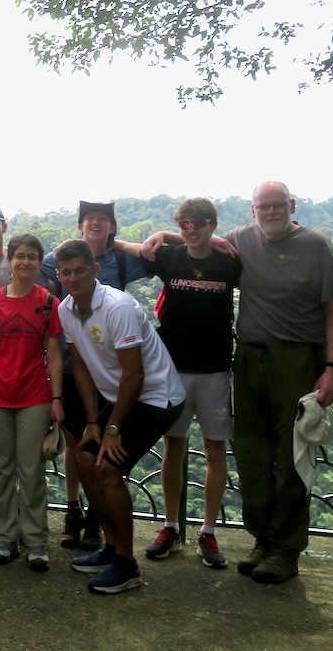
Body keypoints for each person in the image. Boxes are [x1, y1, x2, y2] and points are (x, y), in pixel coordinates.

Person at [216, 181, 333, 584]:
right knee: (251, 452)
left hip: (296, 358)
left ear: (291, 205)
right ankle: (263, 540)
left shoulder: (316, 246)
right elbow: (199, 243)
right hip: (249, 356)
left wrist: (331, 367)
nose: (270, 212)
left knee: (292, 454)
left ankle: (286, 550)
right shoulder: (241, 241)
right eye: (262, 207)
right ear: (252, 211)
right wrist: (162, 235)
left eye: (277, 205)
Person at [55, 239, 184, 594]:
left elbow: (135, 374)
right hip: (119, 397)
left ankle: (126, 565)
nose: (73, 277)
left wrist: (112, 428)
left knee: (107, 467)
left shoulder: (117, 307)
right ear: (60, 276)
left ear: (95, 270)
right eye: (66, 272)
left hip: (158, 398)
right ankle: (110, 548)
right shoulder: (66, 310)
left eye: (80, 269)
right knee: (83, 459)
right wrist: (94, 422)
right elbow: (80, 365)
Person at [133, 198, 241, 569]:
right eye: (183, 223)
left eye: (197, 222)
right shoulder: (170, 257)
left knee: (214, 451)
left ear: (212, 224)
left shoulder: (229, 261)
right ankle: (170, 526)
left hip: (214, 369)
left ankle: (208, 531)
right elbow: (125, 247)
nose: (190, 229)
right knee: (173, 447)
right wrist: (158, 234)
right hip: (173, 368)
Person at [40, 201, 150, 553]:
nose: (96, 224)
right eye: (89, 219)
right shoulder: (55, 262)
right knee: (79, 444)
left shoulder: (119, 262)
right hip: (75, 366)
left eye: (103, 220)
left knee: (106, 451)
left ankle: (99, 523)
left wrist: (135, 241)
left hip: (114, 370)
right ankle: (76, 510)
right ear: (79, 226)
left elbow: (156, 256)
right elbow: (44, 280)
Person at [0, 234, 64, 572]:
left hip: (34, 395)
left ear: (38, 261)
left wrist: (57, 398)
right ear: (9, 261)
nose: (26, 262)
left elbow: (54, 353)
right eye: (20, 256)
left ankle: (36, 540)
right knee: (1, 467)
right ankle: (5, 535)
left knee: (31, 470)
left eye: (32, 256)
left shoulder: (48, 303)